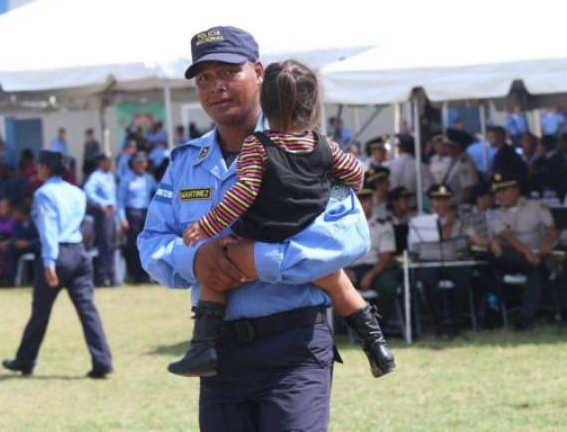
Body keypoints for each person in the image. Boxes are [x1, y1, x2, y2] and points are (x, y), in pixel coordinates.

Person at [138, 26, 379, 432]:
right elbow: (151, 244)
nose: (216, 86)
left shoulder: (308, 148)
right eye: (204, 78)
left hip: (295, 345)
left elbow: (349, 237)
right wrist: (196, 261)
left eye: (228, 72)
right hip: (218, 351)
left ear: (259, 72)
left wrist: (259, 261)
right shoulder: (185, 162)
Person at [178, 59, 394, 379]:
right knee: (339, 285)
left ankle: (202, 348)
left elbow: (243, 193)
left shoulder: (257, 146)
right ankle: (378, 348)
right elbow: (356, 173)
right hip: (307, 237)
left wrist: (207, 224)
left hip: (261, 237)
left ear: (264, 102)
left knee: (214, 276)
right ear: (313, 107)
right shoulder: (324, 146)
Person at [2, 150, 113, 377]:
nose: (37, 169)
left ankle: (25, 361)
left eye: (39, 166)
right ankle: (102, 361)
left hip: (59, 254)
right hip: (79, 252)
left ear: (45, 168)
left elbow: (48, 228)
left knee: (40, 311)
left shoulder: (44, 193)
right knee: (88, 310)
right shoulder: (77, 192)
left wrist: (49, 261)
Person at [409, 184, 488, 337]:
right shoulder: (421, 220)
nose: (441, 204)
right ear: (431, 201)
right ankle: (438, 321)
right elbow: (416, 248)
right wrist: (450, 223)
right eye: (437, 199)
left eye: (445, 199)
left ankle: (456, 320)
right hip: (429, 261)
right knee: (428, 280)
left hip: (453, 260)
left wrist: (489, 242)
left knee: (464, 276)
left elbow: (478, 240)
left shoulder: (460, 220)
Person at [488, 173, 559, 330]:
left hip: (537, 254)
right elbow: (507, 237)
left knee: (537, 270)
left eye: (505, 190)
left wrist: (546, 242)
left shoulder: (536, 205)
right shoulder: (493, 213)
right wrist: (527, 252)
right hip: (511, 257)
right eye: (498, 191)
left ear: (516, 190)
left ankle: (525, 320)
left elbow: (552, 228)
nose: (501, 195)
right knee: (509, 253)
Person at [345, 182, 399, 327]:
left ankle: (379, 327)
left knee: (388, 286)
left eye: (366, 199)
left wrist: (370, 275)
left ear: (372, 201)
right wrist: (343, 271)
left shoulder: (383, 223)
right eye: (360, 199)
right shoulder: (344, 224)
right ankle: (352, 328)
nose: (363, 203)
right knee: (336, 285)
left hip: (376, 268)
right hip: (351, 268)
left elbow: (386, 256)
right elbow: (337, 253)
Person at [117, 152, 156, 282]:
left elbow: (157, 195)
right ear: (133, 164)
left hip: (146, 213)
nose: (141, 164)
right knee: (133, 246)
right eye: (138, 162)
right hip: (132, 214)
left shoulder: (149, 178)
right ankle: (134, 275)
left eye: (143, 162)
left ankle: (146, 274)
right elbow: (120, 201)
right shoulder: (126, 178)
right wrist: (122, 219)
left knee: (146, 245)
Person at [84, 154, 117, 286]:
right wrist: (101, 204)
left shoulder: (110, 176)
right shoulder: (96, 176)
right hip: (103, 213)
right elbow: (88, 191)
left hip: (112, 212)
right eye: (109, 161)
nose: (111, 163)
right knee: (105, 244)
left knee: (112, 245)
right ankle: (103, 277)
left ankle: (111, 275)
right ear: (101, 162)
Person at [388, 133, 434, 206]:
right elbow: (429, 190)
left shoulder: (387, 165)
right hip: (414, 209)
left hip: (392, 209)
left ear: (401, 148)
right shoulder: (422, 167)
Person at [8, 199, 40, 284]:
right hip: (21, 248)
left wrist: (28, 243)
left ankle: (38, 279)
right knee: (11, 251)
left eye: (16, 213)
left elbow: (40, 239)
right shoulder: (17, 223)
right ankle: (12, 279)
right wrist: (17, 242)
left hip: (34, 247)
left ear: (22, 213)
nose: (14, 215)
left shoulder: (35, 222)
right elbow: (13, 238)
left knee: (40, 251)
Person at [531, 134, 567, 199]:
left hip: (555, 197)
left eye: (539, 145)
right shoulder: (539, 160)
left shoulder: (558, 161)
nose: (537, 148)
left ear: (544, 146)